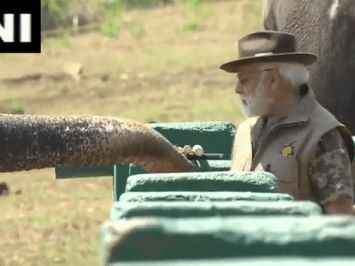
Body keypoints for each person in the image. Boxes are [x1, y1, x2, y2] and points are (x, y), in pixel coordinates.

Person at [220, 31, 354, 214]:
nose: (237, 89)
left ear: (272, 80)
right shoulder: (245, 132)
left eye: (243, 80)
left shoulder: (322, 135)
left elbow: (341, 219)